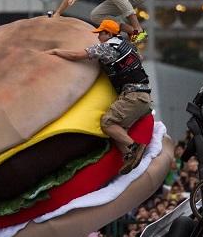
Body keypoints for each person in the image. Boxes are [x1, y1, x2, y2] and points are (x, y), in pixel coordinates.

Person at [48, 19, 152, 174]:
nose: (98, 37)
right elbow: (140, 50)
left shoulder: (107, 48)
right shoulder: (126, 44)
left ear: (108, 34)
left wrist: (56, 52)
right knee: (118, 130)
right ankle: (129, 156)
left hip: (133, 96)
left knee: (107, 123)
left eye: (100, 34)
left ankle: (135, 146)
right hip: (143, 96)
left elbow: (77, 55)